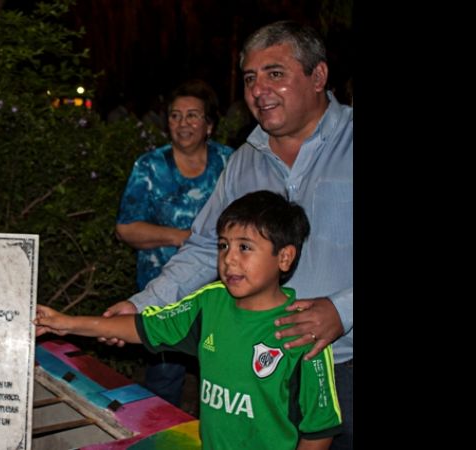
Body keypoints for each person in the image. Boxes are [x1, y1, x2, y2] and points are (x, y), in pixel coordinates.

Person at [103, 21, 353, 449]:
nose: (258, 90)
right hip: (254, 378)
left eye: (275, 73)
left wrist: (343, 311)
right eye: (250, 78)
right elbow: (203, 248)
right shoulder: (243, 162)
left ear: (318, 76)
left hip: (344, 365)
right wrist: (141, 306)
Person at [38, 191, 342, 450]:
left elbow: (320, 429)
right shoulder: (210, 302)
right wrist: (65, 323)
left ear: (285, 257)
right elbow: (144, 326)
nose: (229, 259)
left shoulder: (302, 331)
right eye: (223, 245)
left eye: (245, 247)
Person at [115, 79, 233, 407]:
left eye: (193, 115)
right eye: (176, 116)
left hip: (223, 292)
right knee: (164, 383)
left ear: (209, 124)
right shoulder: (150, 166)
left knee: (221, 380)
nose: (183, 123)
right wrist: (182, 237)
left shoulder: (231, 163)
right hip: (163, 295)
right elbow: (126, 228)